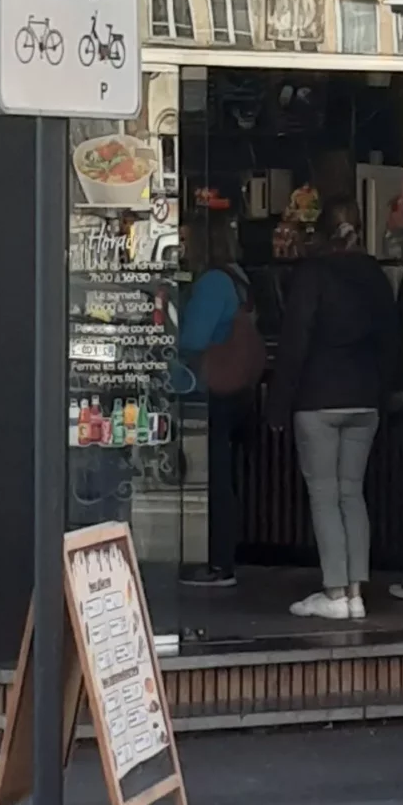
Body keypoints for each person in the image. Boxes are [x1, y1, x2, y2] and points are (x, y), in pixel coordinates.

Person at [268, 197, 403, 621]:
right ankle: (356, 593)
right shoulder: (376, 277)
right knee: (352, 494)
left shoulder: (313, 275)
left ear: (322, 233)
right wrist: (389, 390)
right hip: (366, 400)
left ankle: (334, 592)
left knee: (325, 496)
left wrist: (278, 403)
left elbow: (294, 345)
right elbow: (393, 340)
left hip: (317, 400)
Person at [177, 213, 263, 585]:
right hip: (239, 388)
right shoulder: (238, 276)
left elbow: (193, 339)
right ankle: (224, 558)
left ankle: (217, 563)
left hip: (213, 388)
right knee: (225, 474)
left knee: (214, 476)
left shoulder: (212, 281)